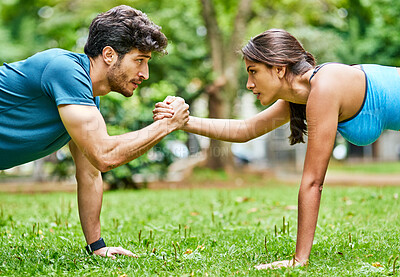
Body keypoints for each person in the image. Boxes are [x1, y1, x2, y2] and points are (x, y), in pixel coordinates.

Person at [153, 28, 400, 268]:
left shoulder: (324, 87)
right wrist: (182, 122)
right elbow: (244, 130)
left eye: (253, 72)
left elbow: (314, 182)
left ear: (279, 69)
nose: (249, 83)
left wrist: (299, 259)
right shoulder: (301, 96)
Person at [0, 5, 189, 258]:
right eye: (139, 61)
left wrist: (97, 246)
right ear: (109, 55)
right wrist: (167, 124)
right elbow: (105, 155)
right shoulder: (63, 69)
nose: (145, 74)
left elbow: (90, 172)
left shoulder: (86, 98)